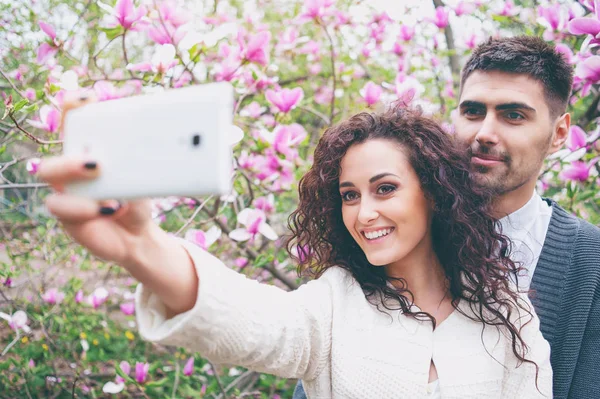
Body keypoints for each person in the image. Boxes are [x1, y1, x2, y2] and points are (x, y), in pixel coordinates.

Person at [38, 101, 551, 397]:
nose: (363, 213)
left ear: (434, 194)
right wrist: (141, 248)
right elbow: (248, 321)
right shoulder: (333, 306)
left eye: (385, 188)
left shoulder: (508, 312)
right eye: (349, 195)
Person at [290, 35, 600, 399]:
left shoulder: (590, 260)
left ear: (559, 133)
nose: (484, 133)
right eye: (472, 112)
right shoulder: (396, 238)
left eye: (513, 115)